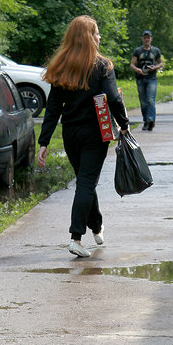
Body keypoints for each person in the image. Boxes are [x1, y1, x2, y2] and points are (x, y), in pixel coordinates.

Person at [37, 15, 129, 258]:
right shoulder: (103, 66)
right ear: (88, 37)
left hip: (71, 135)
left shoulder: (62, 66)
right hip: (95, 134)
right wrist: (124, 125)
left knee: (85, 181)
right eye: (96, 33)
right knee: (86, 183)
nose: (99, 37)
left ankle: (96, 226)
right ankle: (76, 238)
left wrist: (44, 141)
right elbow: (114, 98)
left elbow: (53, 108)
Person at [130, 30, 163, 131]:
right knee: (143, 102)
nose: (147, 39)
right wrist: (137, 69)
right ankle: (145, 121)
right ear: (142, 39)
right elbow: (131, 64)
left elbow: (160, 63)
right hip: (140, 78)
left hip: (151, 78)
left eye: (148, 37)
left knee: (150, 100)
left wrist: (155, 67)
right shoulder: (138, 51)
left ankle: (151, 120)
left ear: (151, 39)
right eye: (145, 37)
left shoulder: (156, 51)